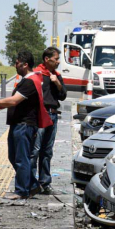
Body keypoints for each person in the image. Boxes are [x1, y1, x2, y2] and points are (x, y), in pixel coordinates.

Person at [0, 50, 52, 200]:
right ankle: (32, 185)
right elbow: (15, 101)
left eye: (17, 63)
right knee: (14, 156)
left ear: (25, 64)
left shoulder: (29, 81)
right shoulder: (28, 80)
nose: (15, 65)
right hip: (19, 124)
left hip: (24, 125)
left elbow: (14, 101)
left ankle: (21, 191)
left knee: (21, 158)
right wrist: (3, 104)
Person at [31, 47, 66, 195]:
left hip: (52, 116)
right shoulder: (37, 74)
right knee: (35, 150)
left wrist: (57, 82)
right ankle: (31, 183)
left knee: (47, 151)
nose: (58, 62)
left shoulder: (56, 76)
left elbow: (63, 95)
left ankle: (45, 182)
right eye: (56, 59)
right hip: (40, 115)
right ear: (47, 59)